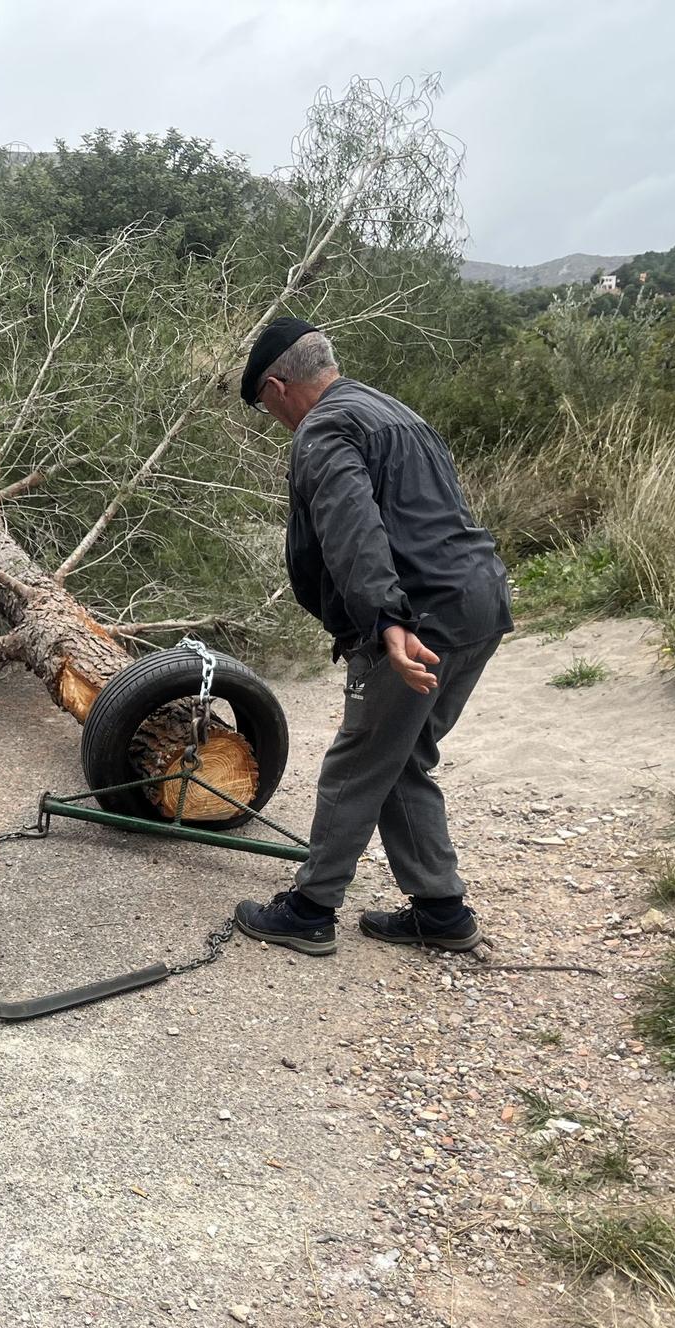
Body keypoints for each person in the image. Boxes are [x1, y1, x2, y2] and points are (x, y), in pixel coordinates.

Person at [232, 318, 511, 958]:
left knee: (358, 759)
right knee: (403, 755)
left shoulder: (324, 429)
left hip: (421, 618)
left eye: (264, 407)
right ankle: (441, 911)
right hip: (477, 603)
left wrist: (387, 621)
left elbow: (352, 530)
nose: (274, 421)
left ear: (276, 387)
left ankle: (309, 909)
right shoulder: (390, 410)